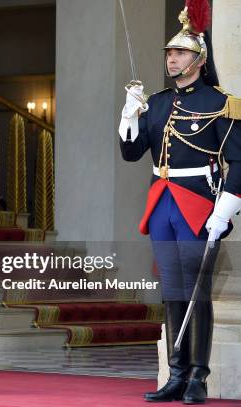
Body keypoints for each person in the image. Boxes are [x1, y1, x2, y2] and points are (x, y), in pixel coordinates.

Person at [118, 1, 241, 403]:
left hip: (198, 203)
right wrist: (129, 117)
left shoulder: (220, 102)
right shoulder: (155, 102)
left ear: (199, 59)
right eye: (170, 53)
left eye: (180, 52)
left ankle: (197, 379)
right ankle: (175, 373)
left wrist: (224, 209)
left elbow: (238, 161)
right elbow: (132, 154)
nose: (172, 58)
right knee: (172, 289)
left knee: (197, 292)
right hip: (162, 203)